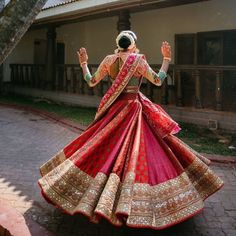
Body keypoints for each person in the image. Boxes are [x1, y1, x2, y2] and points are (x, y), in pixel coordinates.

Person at [38, 30, 223, 230]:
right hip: (134, 108)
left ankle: (103, 198)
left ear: (118, 44)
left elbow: (91, 81)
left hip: (114, 111)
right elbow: (158, 80)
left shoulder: (109, 59)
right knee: (146, 151)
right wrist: (166, 59)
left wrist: (84, 63)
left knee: (104, 148)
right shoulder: (138, 61)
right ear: (133, 45)